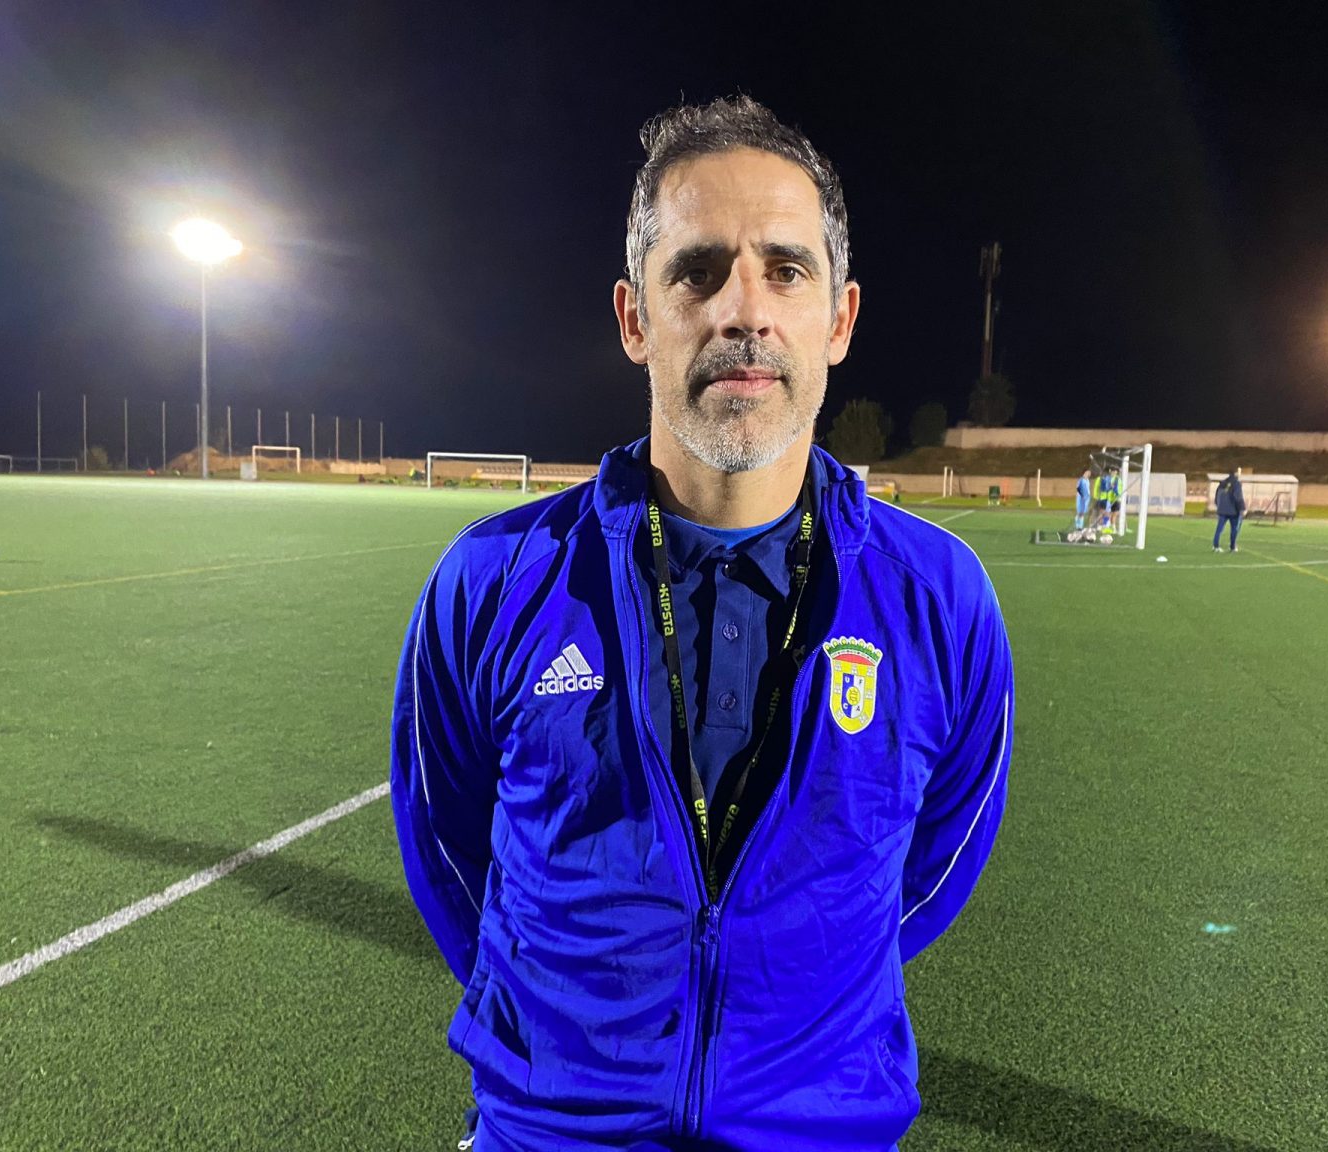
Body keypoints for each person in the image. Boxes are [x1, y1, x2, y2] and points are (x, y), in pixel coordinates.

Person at [391, 95, 1013, 1152]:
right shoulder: (491, 582)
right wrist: (571, 1041)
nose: (744, 311)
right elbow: (448, 856)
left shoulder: (940, 598)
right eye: (697, 270)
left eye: (786, 269)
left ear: (839, 319)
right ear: (636, 318)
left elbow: (931, 875)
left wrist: (793, 1009)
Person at [1213, 466, 1247, 552]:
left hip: (1222, 510)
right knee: (1234, 529)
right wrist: (1242, 508)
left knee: (1219, 529)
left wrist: (1219, 505)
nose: (1240, 474)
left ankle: (1215, 546)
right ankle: (1232, 547)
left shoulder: (1222, 483)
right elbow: (1238, 497)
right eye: (1239, 472)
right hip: (1233, 511)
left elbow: (1217, 496)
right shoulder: (1236, 483)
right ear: (1235, 473)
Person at [1075, 465, 1093, 529]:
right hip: (1081, 499)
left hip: (1086, 499)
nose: (1090, 473)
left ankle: (1080, 526)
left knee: (1083, 513)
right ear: (1085, 472)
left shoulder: (1087, 480)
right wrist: (1082, 495)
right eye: (1088, 472)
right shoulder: (1081, 480)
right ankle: (1078, 526)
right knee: (1079, 512)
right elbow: (1078, 488)